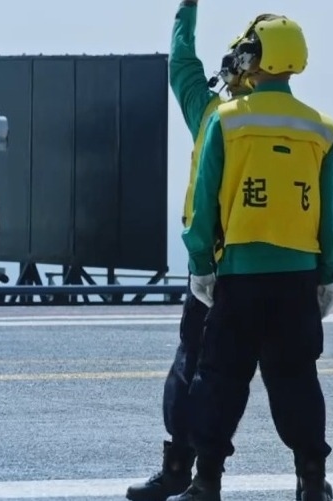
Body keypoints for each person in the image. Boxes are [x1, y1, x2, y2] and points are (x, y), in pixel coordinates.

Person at [169, 13, 333, 501]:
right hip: (298, 279)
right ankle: (311, 481)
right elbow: (326, 210)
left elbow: (206, 200)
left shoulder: (227, 120)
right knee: (298, 382)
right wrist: (327, 273)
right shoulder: (320, 128)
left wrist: (201, 263)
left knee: (220, 380)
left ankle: (207, 482)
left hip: (239, 277)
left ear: (252, 57)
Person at [126, 2, 252, 499]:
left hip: (215, 269)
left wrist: (187, 9)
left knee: (192, 366)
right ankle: (308, 479)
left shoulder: (211, 114)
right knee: (285, 378)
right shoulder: (293, 124)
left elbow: (181, 62)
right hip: (274, 271)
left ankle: (183, 470)